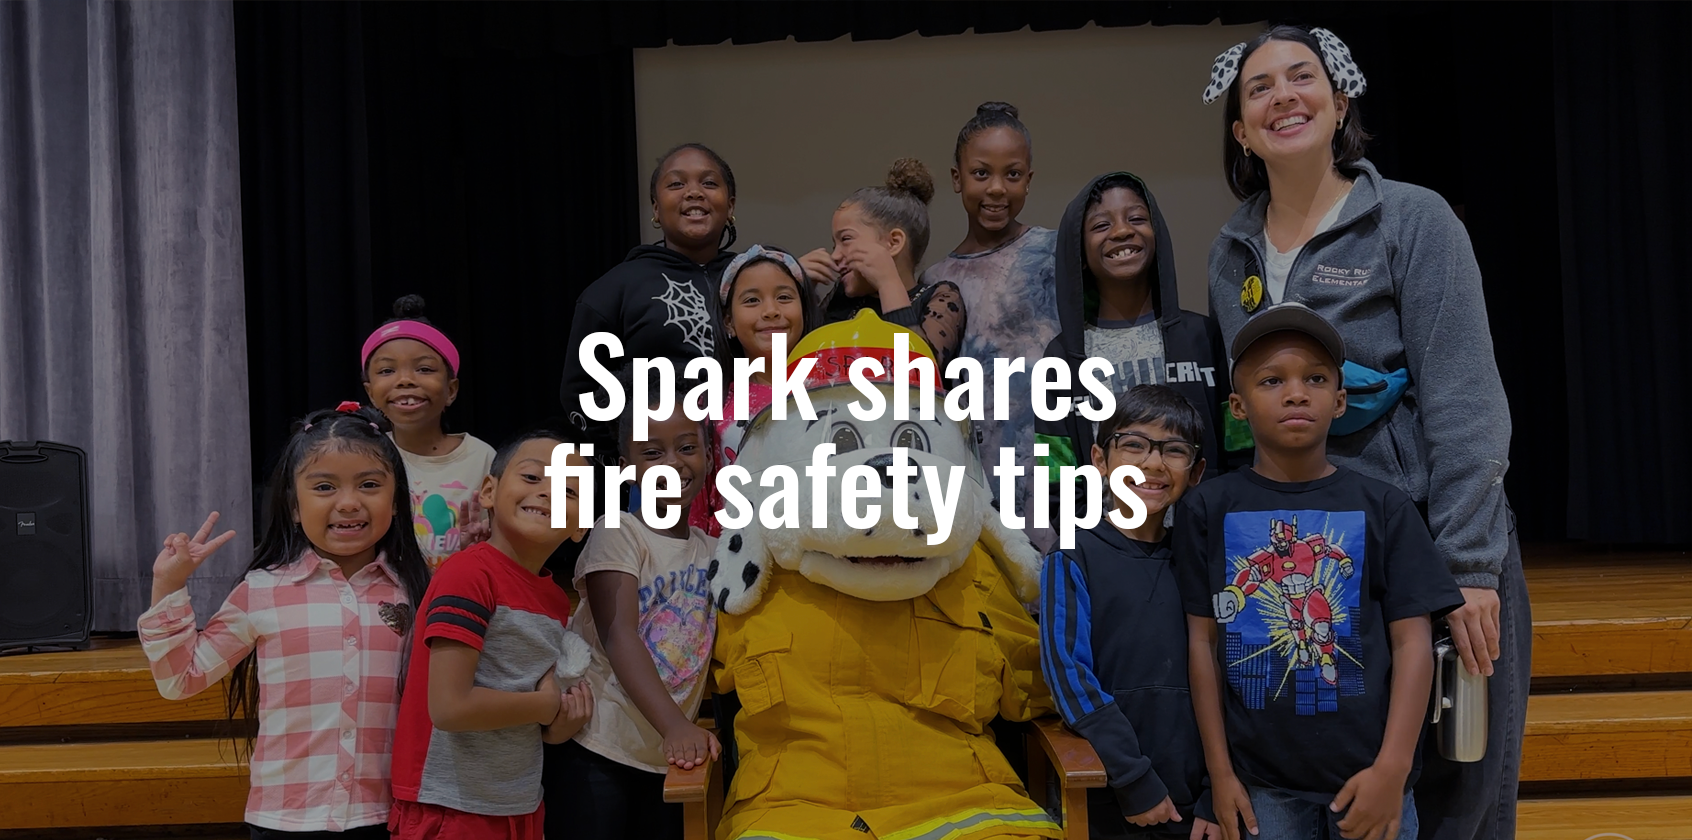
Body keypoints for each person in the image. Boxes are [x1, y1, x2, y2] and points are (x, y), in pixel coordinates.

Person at [1201, 25, 1529, 840]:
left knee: (1461, 782)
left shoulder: (1410, 220)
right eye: (1260, 88)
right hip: (1310, 563)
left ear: (1339, 100)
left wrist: (1471, 565)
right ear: (1241, 130)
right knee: (1340, 792)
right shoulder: (1228, 251)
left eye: (1301, 77)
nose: (1284, 96)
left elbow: (1465, 399)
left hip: (1428, 543)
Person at [1175, 304, 1464, 840]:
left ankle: (1321, 656)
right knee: (1300, 623)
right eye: (1271, 380)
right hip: (1260, 784)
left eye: (1315, 378)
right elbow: (1203, 644)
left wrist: (1393, 770)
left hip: (1370, 777)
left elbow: (1413, 645)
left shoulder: (1384, 506)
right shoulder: (1208, 509)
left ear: (1340, 399)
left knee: (1317, 620)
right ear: (1237, 406)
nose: (1295, 393)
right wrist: (1219, 774)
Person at [138, 402, 433, 839]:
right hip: (285, 821)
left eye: (369, 484)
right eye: (325, 487)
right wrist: (168, 585)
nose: (349, 503)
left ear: (395, 501)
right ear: (294, 506)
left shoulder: (416, 591)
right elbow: (181, 679)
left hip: (388, 816)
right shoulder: (262, 591)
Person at [388, 428, 595, 840]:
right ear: (488, 491)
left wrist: (559, 722)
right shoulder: (469, 574)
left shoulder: (556, 600)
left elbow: (529, 709)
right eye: (533, 477)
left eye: (570, 491)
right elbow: (450, 707)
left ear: (582, 526)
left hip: (518, 805)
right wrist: (543, 706)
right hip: (449, 806)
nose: (547, 493)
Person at [546, 372, 719, 838]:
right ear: (627, 466)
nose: (673, 463)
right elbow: (618, 634)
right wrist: (677, 727)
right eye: (652, 452)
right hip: (599, 748)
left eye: (687, 447)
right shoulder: (619, 530)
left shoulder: (712, 550)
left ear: (709, 455)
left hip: (662, 757)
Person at [1040, 385, 1217, 839]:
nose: (1153, 464)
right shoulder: (1073, 554)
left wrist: (1216, 792)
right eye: (1134, 445)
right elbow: (1068, 676)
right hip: (1113, 794)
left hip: (1200, 805)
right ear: (1100, 460)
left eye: (1174, 450)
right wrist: (1133, 778)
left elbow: (1228, 674)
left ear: (1195, 471)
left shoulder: (1204, 561)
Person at [1037, 172, 1236, 528]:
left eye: (1137, 218)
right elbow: (1055, 476)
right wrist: (1096, 547)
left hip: (1202, 547)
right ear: (1078, 252)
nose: (1121, 231)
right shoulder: (1062, 356)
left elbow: (1239, 448)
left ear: (1157, 233)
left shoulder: (1202, 335)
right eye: (1101, 225)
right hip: (1109, 556)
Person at [922, 101, 1061, 551]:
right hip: (978, 473)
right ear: (957, 178)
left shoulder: (1054, 252)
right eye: (981, 173)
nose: (997, 188)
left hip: (1055, 464)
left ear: (1029, 179)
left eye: (1012, 174)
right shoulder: (938, 281)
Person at [560, 143, 739, 456]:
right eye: (676, 183)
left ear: (731, 205)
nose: (694, 192)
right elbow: (581, 393)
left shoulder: (752, 279)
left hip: (748, 459)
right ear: (656, 208)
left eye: (709, 183)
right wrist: (630, 453)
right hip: (658, 470)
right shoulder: (614, 289)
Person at [688, 243, 820, 536]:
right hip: (734, 561)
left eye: (784, 297)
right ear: (728, 322)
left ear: (804, 309)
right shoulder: (708, 402)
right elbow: (699, 507)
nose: (771, 311)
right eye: (751, 301)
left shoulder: (834, 391)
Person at [362, 294, 495, 569]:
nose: (406, 380)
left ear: (452, 390)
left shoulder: (481, 458)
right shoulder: (366, 456)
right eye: (387, 370)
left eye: (424, 369)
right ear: (370, 393)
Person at [799, 158, 967, 372]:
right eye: (834, 244)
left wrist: (888, 283)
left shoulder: (940, 297)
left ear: (894, 243)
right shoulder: (840, 299)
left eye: (846, 239)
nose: (835, 256)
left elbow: (920, 372)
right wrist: (799, 290)